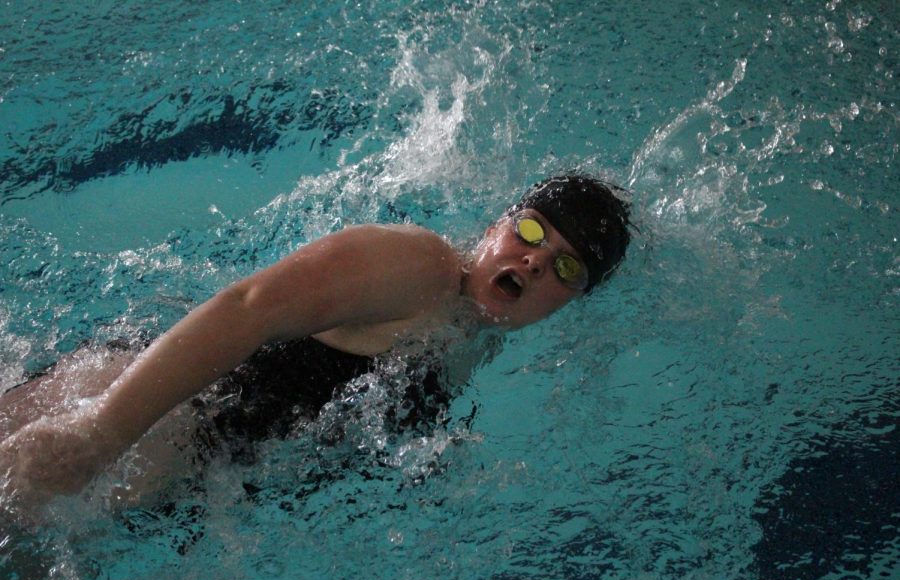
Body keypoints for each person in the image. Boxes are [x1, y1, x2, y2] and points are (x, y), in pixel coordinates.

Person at [0, 174, 631, 506]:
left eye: (566, 267)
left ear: (574, 299)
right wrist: (99, 432)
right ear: (497, 225)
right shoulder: (419, 268)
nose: (534, 262)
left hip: (170, 469)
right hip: (131, 414)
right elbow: (247, 308)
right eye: (530, 230)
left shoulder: (469, 335)